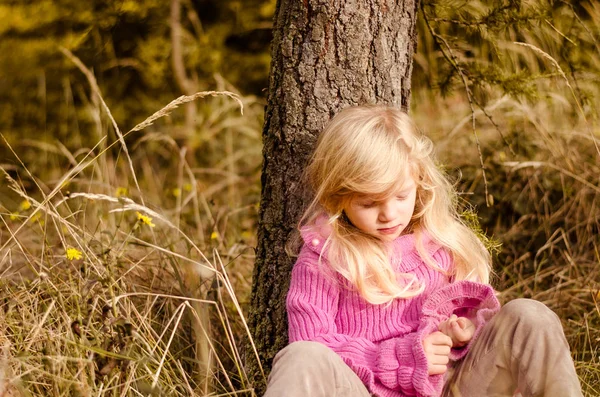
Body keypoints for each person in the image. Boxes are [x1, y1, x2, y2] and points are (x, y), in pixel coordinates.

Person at [263, 105, 583, 397]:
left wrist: (463, 332)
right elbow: (313, 341)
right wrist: (404, 356)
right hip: (364, 390)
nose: (388, 214)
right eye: (369, 203)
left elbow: (471, 331)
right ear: (339, 198)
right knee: (301, 357)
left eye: (401, 196)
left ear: (419, 180)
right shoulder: (325, 258)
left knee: (530, 317)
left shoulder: (440, 246)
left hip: (450, 389)